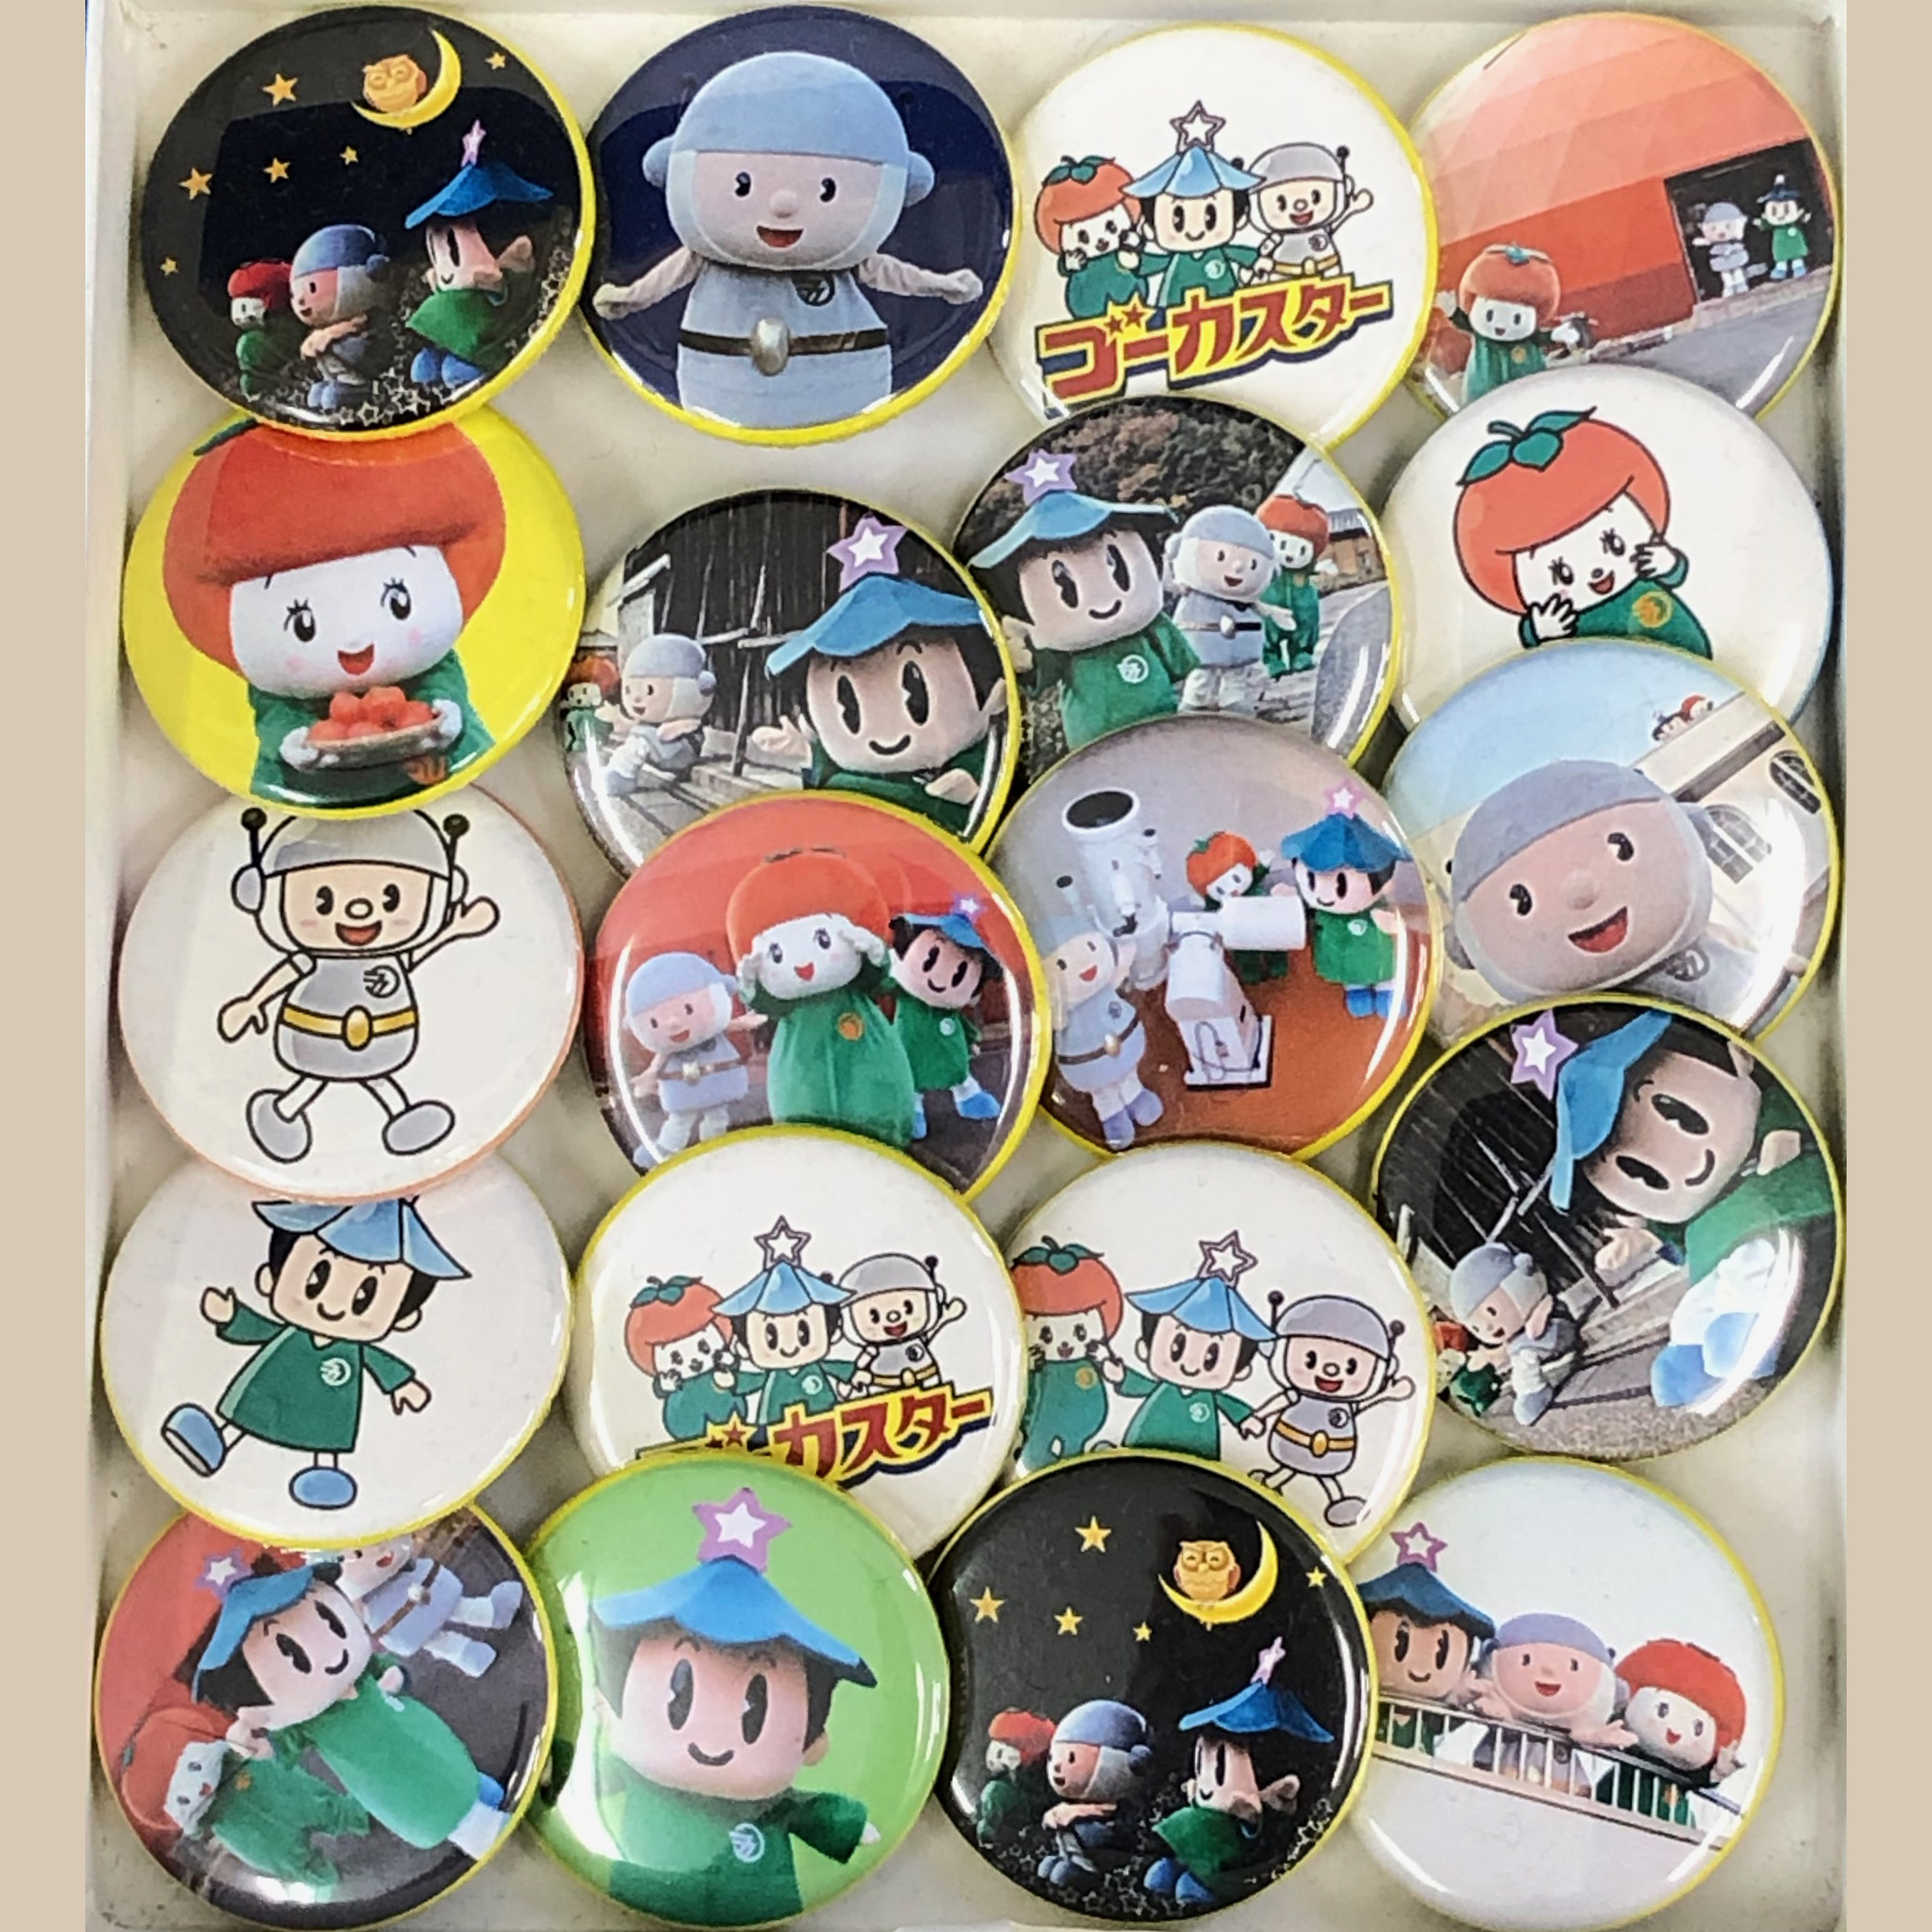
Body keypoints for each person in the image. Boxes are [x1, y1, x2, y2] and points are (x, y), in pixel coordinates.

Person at [590, 53, 982, 430]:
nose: (783, 205)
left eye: (827, 190)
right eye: (742, 185)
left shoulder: (849, 260)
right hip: (721, 384)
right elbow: (671, 273)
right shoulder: (703, 254)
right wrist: (632, 298)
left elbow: (887, 272)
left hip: (845, 382)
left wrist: (940, 284)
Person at [162, 422, 501, 805]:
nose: (355, 643)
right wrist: (293, 742)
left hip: (455, 778)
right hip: (312, 791)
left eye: (398, 602)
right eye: (302, 626)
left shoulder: (432, 666)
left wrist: (444, 709)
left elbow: (444, 681)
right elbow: (275, 716)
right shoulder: (278, 692)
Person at [587, 1486, 879, 1923]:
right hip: (632, 1903)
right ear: (609, 1702)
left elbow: (812, 1812)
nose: (710, 1741)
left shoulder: (773, 1806)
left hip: (755, 1908)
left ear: (814, 1741)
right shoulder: (628, 1776)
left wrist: (849, 1825)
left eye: (752, 1712)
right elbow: (580, 1778)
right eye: (680, 1697)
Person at [160, 1196, 464, 1510]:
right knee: (248, 1412)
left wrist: (402, 1384)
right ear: (270, 1279)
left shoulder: (352, 1351)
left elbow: (380, 1362)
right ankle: (215, 1441)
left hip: (325, 1410)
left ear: (403, 1318)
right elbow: (259, 1329)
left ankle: (325, 1477)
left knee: (324, 1434)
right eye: (316, 1279)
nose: (332, 1306)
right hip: (269, 1391)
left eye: (363, 1297)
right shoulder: (290, 1335)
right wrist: (231, 1316)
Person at [968, 454, 1191, 753]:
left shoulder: (1152, 629)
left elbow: (1183, 663)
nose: (1103, 601)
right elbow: (1040, 677)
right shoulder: (1064, 654)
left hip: (1162, 722)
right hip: (1095, 744)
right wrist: (1023, 659)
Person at [1453, 410, 1712, 658]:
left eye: (1614, 543)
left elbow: (1676, 573)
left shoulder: (1641, 575)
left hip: (1694, 661)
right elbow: (1528, 638)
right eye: (1562, 573)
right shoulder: (1566, 618)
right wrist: (1540, 630)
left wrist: (1668, 563)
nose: (1597, 570)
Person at [725, 849, 918, 1148]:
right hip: (802, 1081)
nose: (805, 965)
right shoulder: (787, 1007)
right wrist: (753, 986)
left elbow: (880, 981)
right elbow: (769, 1006)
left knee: (875, 1105)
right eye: (777, 953)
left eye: (823, 940)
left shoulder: (856, 985)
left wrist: (874, 954)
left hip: (869, 1063)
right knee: (806, 1121)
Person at [1147, 1638, 1331, 1907]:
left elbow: (1257, 1829)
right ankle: (1174, 1870)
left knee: (1201, 1875)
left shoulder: (1260, 1791)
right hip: (1200, 1831)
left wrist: (1250, 1817)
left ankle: (1195, 1884)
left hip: (1225, 1859)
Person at [404, 121, 556, 394]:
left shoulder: (502, 244)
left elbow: (511, 289)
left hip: (484, 317)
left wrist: (494, 282)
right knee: (439, 323)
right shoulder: (445, 233)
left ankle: (461, 361)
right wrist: (438, 281)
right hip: (458, 303)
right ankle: (436, 353)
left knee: (463, 346)